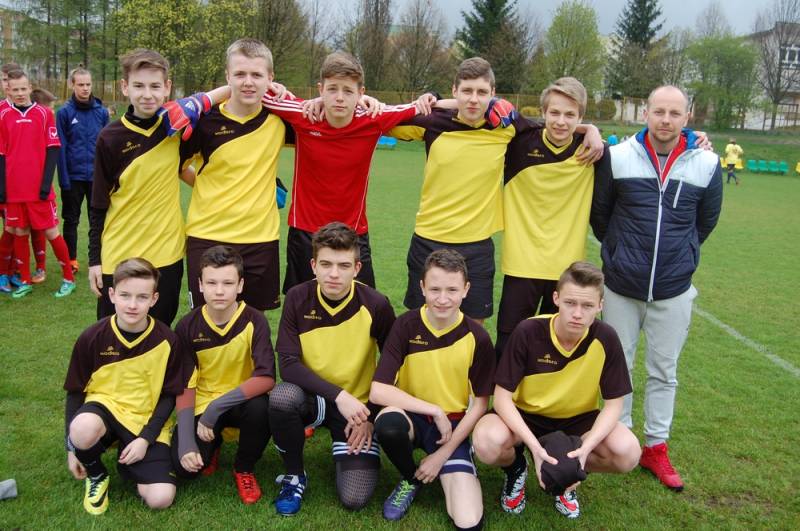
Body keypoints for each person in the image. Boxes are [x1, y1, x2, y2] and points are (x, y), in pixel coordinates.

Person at [391, 58, 603, 323]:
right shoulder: (432, 121)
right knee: (419, 324)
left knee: (474, 330)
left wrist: (591, 129)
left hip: (477, 244)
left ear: (493, 94)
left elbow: (553, 125)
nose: (473, 99)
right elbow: (382, 120)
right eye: (466, 91)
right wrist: (429, 99)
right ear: (454, 91)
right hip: (428, 238)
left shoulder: (506, 126)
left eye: (481, 92)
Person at [590, 85, 722, 492]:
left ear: (687, 117)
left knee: (665, 371)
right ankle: (621, 438)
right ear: (645, 113)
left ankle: (656, 447)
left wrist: (682, 257)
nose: (666, 120)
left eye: (674, 113)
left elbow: (705, 222)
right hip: (621, 286)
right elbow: (601, 216)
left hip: (674, 288)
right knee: (619, 366)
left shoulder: (707, 162)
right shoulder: (618, 156)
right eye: (659, 111)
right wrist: (620, 254)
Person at [472, 261, 641, 519]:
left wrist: (584, 451)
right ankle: (517, 467)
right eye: (570, 303)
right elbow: (503, 398)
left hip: (577, 420)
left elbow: (614, 404)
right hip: (526, 414)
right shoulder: (528, 330)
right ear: (556, 299)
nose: (577, 313)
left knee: (627, 452)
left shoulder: (606, 337)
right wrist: (534, 448)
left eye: (587, 306)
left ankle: (568, 472)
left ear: (600, 306)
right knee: (486, 442)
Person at [260, 51, 434, 293]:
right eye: (332, 89)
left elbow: (424, 106)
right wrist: (277, 87)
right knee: (302, 304)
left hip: (354, 233)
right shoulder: (303, 114)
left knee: (365, 305)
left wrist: (431, 95)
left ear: (361, 93)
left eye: (348, 91)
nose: (340, 98)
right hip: (305, 231)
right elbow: (251, 88)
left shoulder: (374, 118)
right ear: (320, 89)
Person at [268, 222, 395, 516]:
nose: (334, 274)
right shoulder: (297, 298)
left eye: (343, 265)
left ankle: (351, 441)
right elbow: (288, 365)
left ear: (357, 268)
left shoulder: (376, 304)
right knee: (282, 397)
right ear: (313, 265)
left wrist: (371, 415)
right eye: (326, 264)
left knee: (354, 498)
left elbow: (394, 367)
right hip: (315, 398)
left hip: (357, 410)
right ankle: (294, 475)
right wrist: (339, 395)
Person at [89, 48, 224, 324]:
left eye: (155, 86)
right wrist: (94, 260)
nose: (147, 94)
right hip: (120, 254)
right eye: (138, 86)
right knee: (115, 333)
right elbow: (98, 203)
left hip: (167, 253)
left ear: (167, 87)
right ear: (125, 87)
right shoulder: (109, 137)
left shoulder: (176, 127)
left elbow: (226, 92)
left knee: (160, 332)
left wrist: (273, 89)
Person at [370, 249, 495, 528]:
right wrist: (434, 410)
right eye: (435, 289)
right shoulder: (405, 325)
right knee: (388, 424)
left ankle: (457, 463)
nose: (442, 299)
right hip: (411, 416)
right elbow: (378, 390)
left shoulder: (478, 337)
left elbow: (480, 405)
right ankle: (410, 478)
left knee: (468, 521)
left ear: (466, 290)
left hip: (452, 427)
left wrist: (442, 455)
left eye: (452, 290)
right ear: (422, 287)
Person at [496, 77, 611, 360]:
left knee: (554, 346)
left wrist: (591, 132)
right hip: (521, 263)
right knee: (509, 342)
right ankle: (501, 391)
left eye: (570, 115)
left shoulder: (593, 152)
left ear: (581, 117)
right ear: (543, 113)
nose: (561, 121)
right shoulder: (518, 142)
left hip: (566, 270)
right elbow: (481, 107)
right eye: (555, 113)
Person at [63, 258, 184, 515]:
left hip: (144, 418)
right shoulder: (92, 337)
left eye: (142, 297)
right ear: (112, 295)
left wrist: (145, 439)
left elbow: (169, 396)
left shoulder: (168, 340)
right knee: (82, 428)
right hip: (105, 409)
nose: (132, 305)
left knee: (161, 498)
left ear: (154, 299)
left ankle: (128, 463)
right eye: (125, 295)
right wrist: (72, 448)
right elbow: (75, 392)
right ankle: (97, 474)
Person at [179, 38, 288, 312]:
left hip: (260, 239)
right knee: (205, 323)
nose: (248, 82)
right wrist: (206, 187)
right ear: (228, 77)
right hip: (207, 236)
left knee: (253, 324)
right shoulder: (204, 122)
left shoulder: (280, 119)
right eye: (240, 74)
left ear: (270, 78)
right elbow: (178, 167)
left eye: (256, 75)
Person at [171, 245, 275, 504]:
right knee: (186, 469)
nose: (219, 291)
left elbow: (266, 378)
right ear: (200, 285)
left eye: (227, 283)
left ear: (240, 285)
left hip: (242, 401)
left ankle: (244, 467)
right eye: (211, 283)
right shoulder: (186, 326)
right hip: (202, 403)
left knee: (262, 408)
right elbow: (185, 386)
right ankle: (212, 443)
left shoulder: (255, 321)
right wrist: (186, 443)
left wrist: (217, 407)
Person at [0, 69, 75, 298]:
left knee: (52, 232)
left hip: (38, 190)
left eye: (23, 88)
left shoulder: (44, 114)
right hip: (14, 190)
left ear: (30, 88)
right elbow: (1, 154)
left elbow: (53, 149)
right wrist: (2, 188)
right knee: (19, 232)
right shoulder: (3, 115)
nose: (20, 93)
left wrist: (45, 185)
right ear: (8, 90)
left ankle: (68, 278)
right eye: (15, 89)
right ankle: (24, 280)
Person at [56, 67, 110, 273]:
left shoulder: (101, 112)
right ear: (72, 85)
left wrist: (108, 176)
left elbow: (107, 147)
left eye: (88, 84)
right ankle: (70, 259)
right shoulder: (64, 113)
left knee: (98, 220)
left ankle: (97, 258)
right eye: (81, 84)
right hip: (73, 177)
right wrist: (64, 179)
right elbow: (60, 147)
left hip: (97, 178)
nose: (85, 88)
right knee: (71, 220)